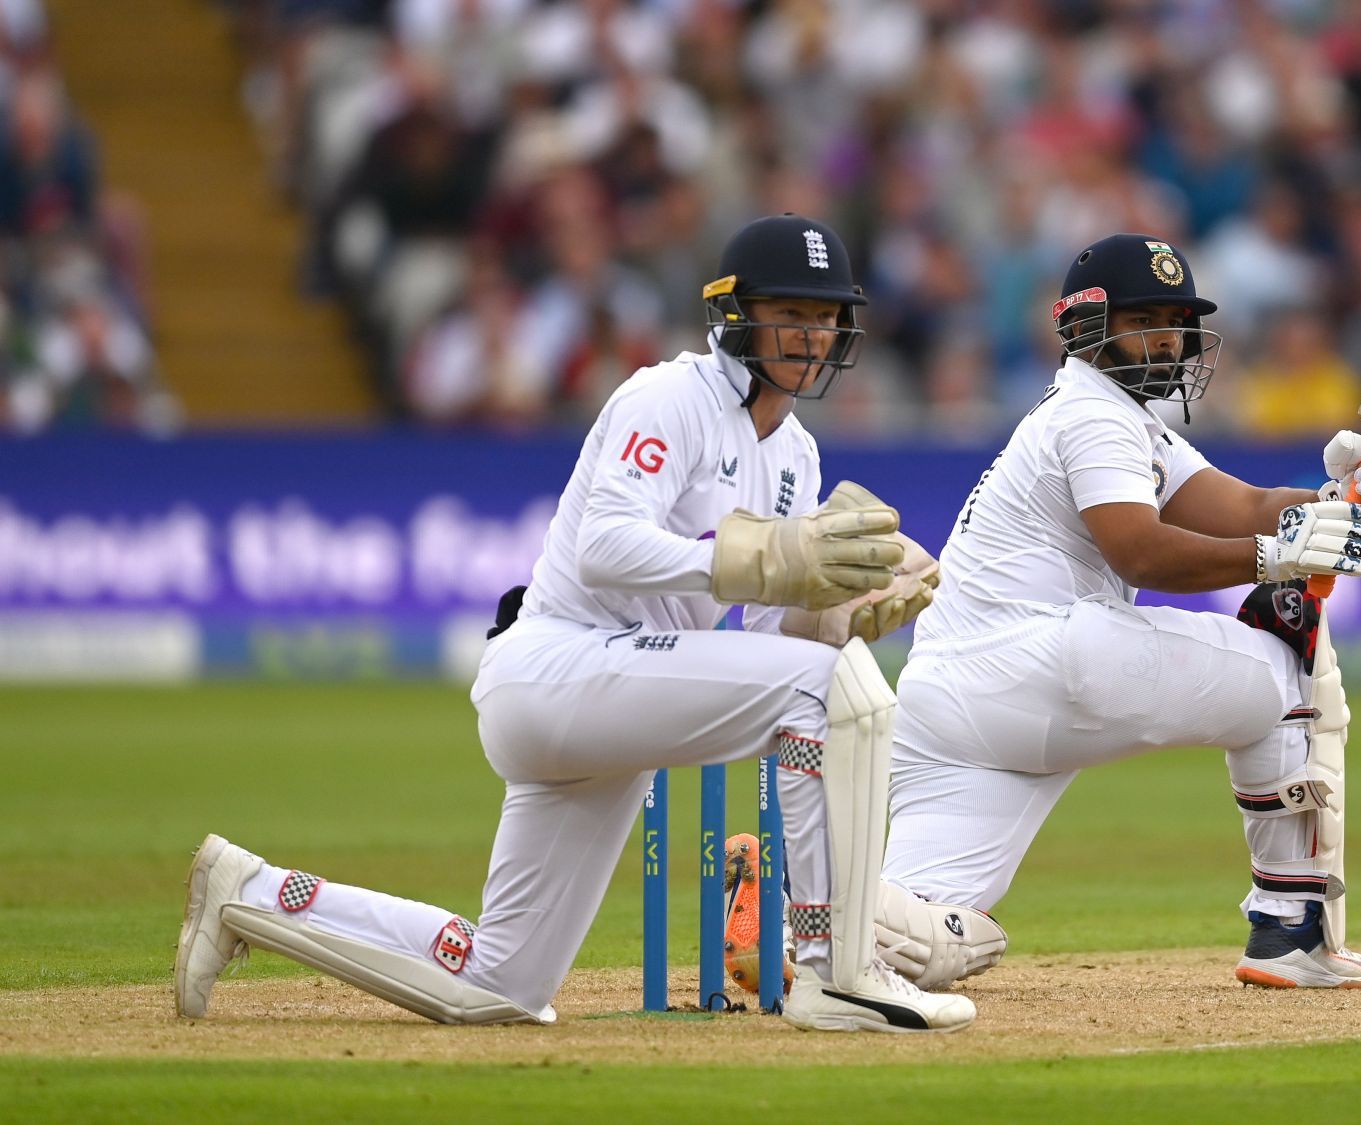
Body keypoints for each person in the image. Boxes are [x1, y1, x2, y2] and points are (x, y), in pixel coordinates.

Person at [175, 214, 970, 1034]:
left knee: (498, 987)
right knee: (833, 696)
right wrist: (763, 556)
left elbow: (772, 651)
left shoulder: (796, 454)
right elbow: (604, 546)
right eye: (792, 314)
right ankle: (836, 969)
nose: (811, 336)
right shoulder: (669, 396)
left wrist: (838, 612)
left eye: (826, 317)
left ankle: (249, 890)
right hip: (558, 666)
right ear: (736, 314)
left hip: (620, 708)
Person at [868, 233, 1361, 994]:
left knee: (907, 925)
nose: (1168, 338)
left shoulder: (1118, 419)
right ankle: (1290, 929)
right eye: (1146, 319)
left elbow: (1245, 505)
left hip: (946, 700)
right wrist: (1280, 557)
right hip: (1043, 661)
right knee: (1287, 645)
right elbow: (1140, 552)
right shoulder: (1095, 416)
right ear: (1086, 327)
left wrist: (1342, 501)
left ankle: (777, 916)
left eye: (1177, 319)